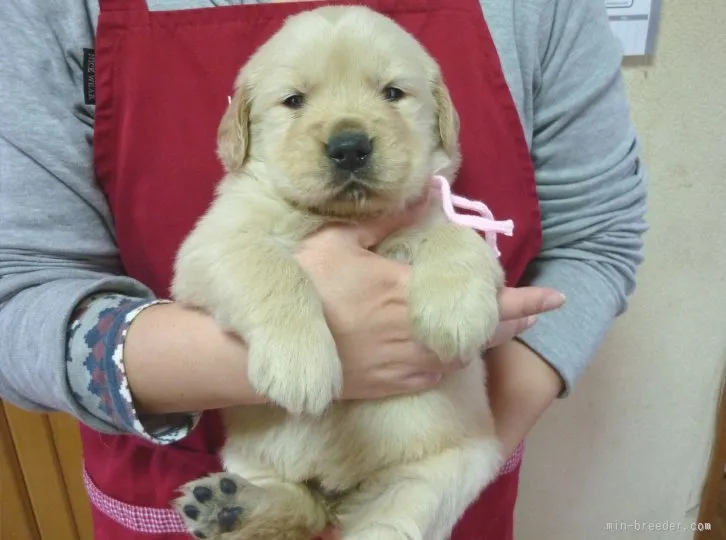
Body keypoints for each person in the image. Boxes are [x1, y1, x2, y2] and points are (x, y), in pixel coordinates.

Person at [0, 0, 647, 538]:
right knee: (262, 481)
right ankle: (285, 505)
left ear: (443, 116)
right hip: (191, 476)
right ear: (240, 128)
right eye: (294, 100)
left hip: (427, 464)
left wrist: (459, 272)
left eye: (393, 93)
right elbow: (27, 289)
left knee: (451, 471)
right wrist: (274, 333)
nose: (348, 136)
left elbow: (600, 239)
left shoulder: (540, 15)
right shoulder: (54, 16)